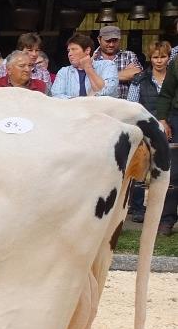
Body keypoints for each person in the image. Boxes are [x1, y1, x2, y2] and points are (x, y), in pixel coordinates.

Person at [127, 41, 178, 232]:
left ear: (168, 58)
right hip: (146, 128)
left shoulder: (172, 73)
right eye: (155, 57)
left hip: (169, 127)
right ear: (150, 58)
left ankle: (164, 213)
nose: (159, 60)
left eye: (163, 56)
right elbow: (132, 105)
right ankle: (139, 208)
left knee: (170, 172)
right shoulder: (140, 79)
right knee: (142, 169)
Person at [51, 34, 117, 99]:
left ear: (87, 50)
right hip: (73, 109)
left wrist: (88, 68)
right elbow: (56, 95)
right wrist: (81, 102)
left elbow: (107, 91)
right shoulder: (64, 72)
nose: (69, 54)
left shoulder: (107, 65)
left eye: (74, 49)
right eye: (69, 50)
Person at [91, 25, 142, 100]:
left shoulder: (129, 55)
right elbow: (88, 81)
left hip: (123, 106)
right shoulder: (92, 58)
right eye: (108, 41)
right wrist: (124, 74)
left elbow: (138, 74)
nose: (111, 44)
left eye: (114, 40)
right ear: (99, 39)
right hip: (99, 105)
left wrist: (100, 78)